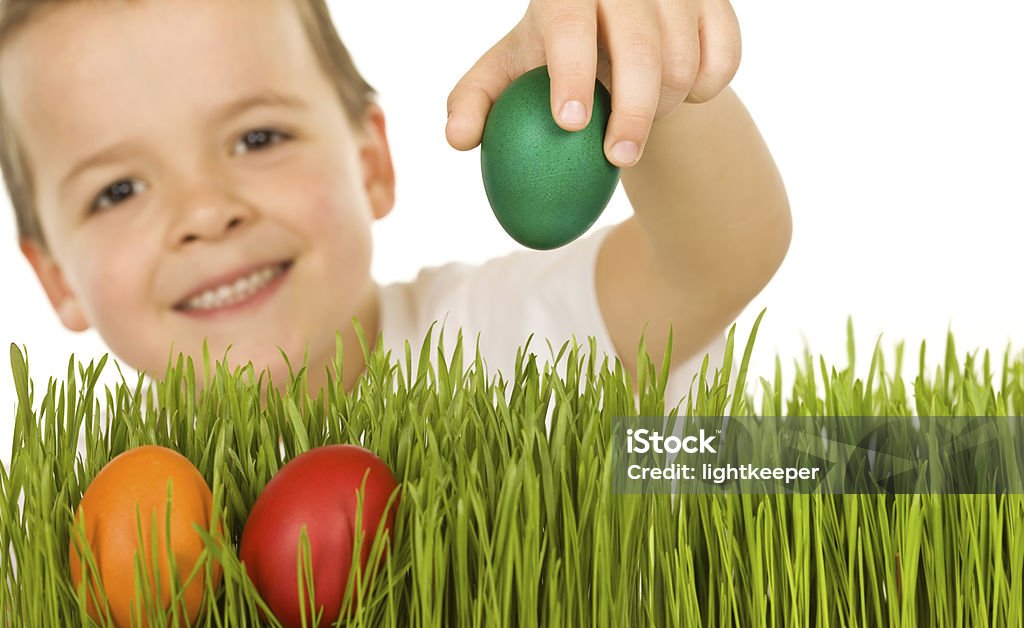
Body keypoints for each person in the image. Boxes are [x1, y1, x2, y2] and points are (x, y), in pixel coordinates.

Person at [0, 0, 790, 406]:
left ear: (371, 161)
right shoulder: (87, 514)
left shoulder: (500, 338)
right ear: (55, 279)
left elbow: (720, 258)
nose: (206, 213)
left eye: (257, 138)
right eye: (117, 191)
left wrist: (638, 64)